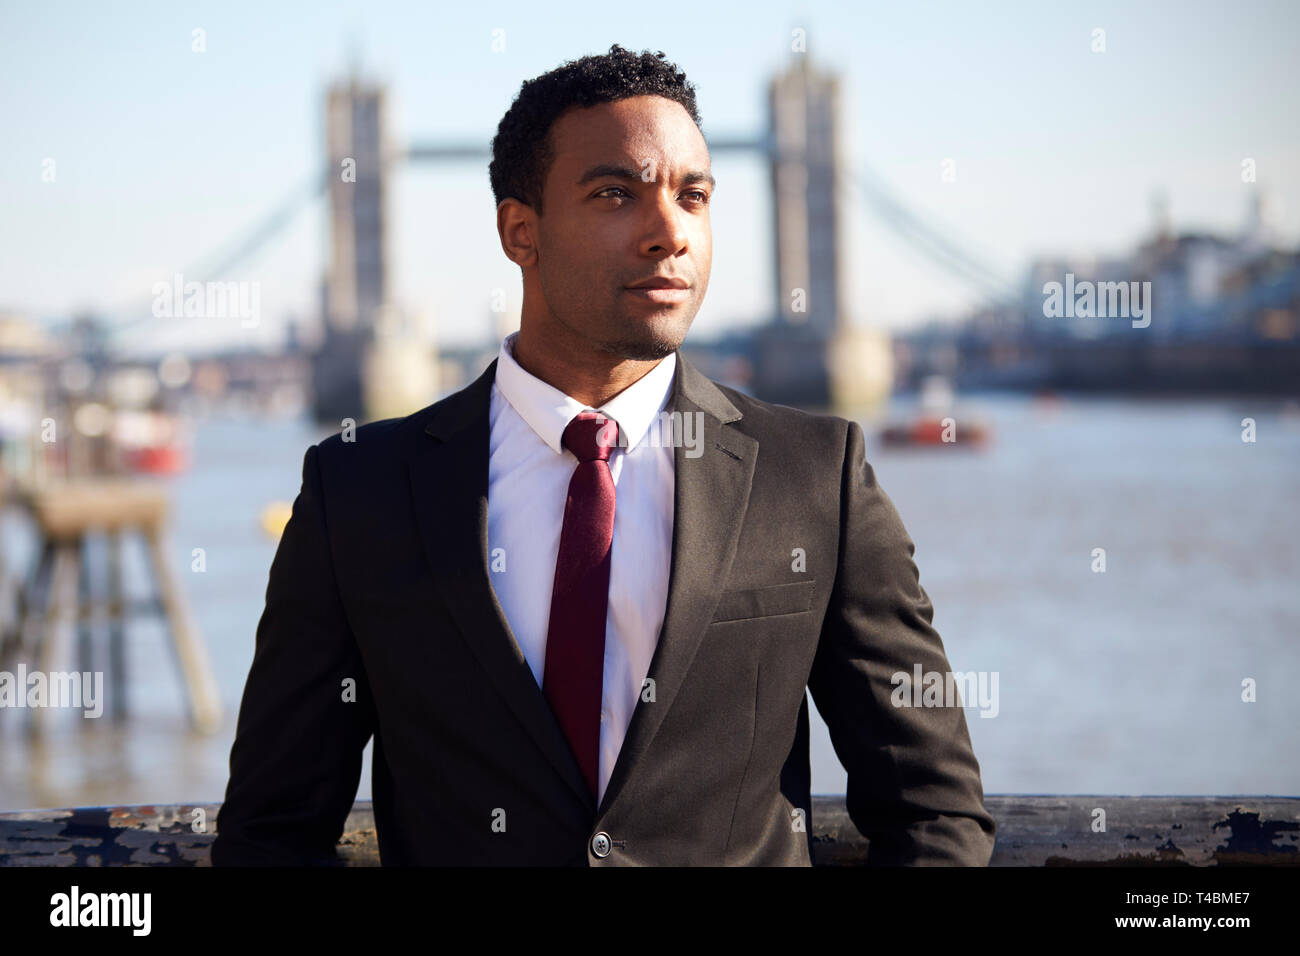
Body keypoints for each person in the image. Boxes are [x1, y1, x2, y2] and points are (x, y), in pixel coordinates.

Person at [211, 44, 995, 867]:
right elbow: (273, 830)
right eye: (616, 194)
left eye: (693, 196)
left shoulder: (814, 476)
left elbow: (934, 808)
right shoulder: (358, 489)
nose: (670, 233)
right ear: (522, 231)